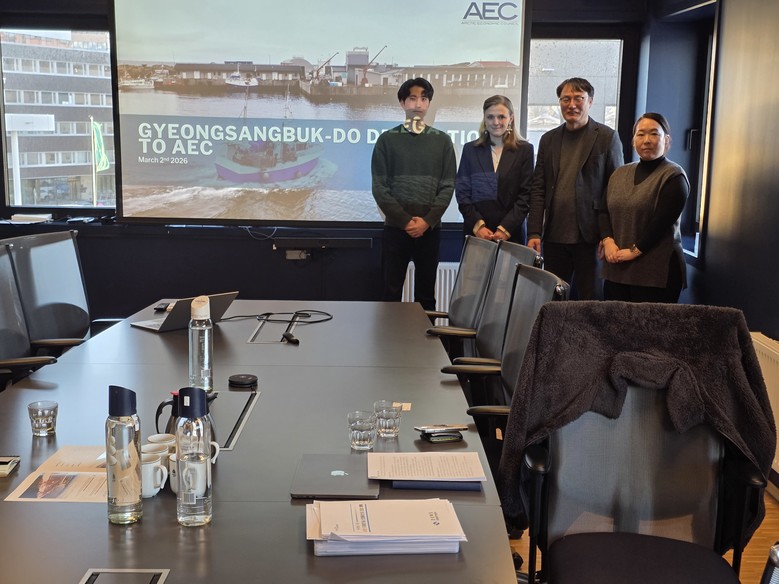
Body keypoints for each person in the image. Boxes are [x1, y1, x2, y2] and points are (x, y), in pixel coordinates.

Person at [527, 77, 623, 299]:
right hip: (554, 236)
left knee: (590, 301)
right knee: (554, 300)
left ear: (590, 101)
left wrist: (608, 235)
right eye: (565, 99)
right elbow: (538, 188)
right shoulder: (548, 139)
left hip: (591, 237)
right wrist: (534, 231)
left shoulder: (607, 137)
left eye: (578, 98)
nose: (572, 105)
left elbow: (616, 191)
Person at [371, 78, 456, 311]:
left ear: (429, 103)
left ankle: (425, 337)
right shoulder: (387, 140)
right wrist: (406, 221)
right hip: (396, 229)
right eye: (412, 98)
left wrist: (426, 222)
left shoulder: (443, 141)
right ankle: (389, 337)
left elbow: (447, 186)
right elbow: (379, 187)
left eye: (424, 98)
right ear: (402, 102)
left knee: (426, 297)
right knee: (390, 294)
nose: (418, 104)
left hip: (430, 230)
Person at [599, 113, 689, 303]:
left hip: (656, 274)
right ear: (633, 141)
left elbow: (660, 224)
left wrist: (633, 252)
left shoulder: (674, 176)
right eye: (640, 134)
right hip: (617, 270)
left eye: (654, 134)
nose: (646, 140)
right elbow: (603, 210)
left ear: (666, 140)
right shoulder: (619, 174)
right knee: (614, 321)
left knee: (650, 323)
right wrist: (608, 241)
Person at [455, 95, 534, 243]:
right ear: (484, 119)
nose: (496, 122)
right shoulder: (470, 149)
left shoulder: (525, 150)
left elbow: (526, 194)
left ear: (511, 118)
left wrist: (505, 228)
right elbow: (462, 192)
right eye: (490, 117)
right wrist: (478, 226)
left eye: (501, 117)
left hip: (511, 234)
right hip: (476, 234)